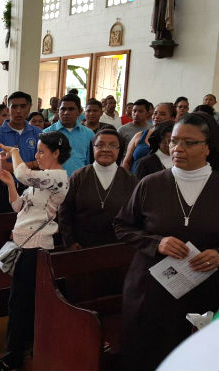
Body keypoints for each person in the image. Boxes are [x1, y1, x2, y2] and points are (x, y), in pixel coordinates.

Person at [114, 112, 219, 371]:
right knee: (148, 354)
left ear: (208, 147)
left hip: (206, 289)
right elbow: (121, 226)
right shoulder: (151, 184)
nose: (177, 148)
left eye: (189, 142)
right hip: (151, 290)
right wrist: (156, 243)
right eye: (173, 141)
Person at [0, 131, 71, 371]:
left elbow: (23, 173)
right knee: (20, 302)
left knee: (20, 303)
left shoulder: (57, 178)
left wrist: (13, 152)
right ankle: (20, 351)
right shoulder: (42, 178)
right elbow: (18, 206)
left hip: (37, 248)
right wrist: (10, 183)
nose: (37, 155)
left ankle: (12, 358)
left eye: (42, 151)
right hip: (24, 246)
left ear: (56, 153)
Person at [59, 129, 137, 249]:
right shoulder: (79, 176)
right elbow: (65, 211)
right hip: (81, 246)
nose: (106, 149)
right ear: (93, 148)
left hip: (118, 245)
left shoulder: (130, 179)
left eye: (112, 146)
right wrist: (69, 241)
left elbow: (135, 215)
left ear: (119, 150)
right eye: (100, 145)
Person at [0, 92, 42, 212]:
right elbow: (3, 167)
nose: (18, 111)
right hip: (5, 188)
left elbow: (43, 164)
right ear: (8, 109)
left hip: (32, 188)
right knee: (2, 227)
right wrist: (33, 164)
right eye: (14, 106)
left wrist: (16, 166)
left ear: (29, 108)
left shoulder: (38, 133)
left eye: (23, 107)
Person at [43, 94, 95, 177]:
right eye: (63, 109)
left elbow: (90, 161)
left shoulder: (89, 134)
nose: (66, 113)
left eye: (71, 109)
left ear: (79, 111)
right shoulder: (46, 134)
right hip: (53, 183)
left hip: (81, 182)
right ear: (58, 111)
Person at [122, 102, 174, 172]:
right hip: (135, 179)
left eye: (162, 114)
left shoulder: (175, 139)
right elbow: (126, 162)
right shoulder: (140, 135)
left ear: (172, 118)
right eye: (155, 113)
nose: (157, 116)